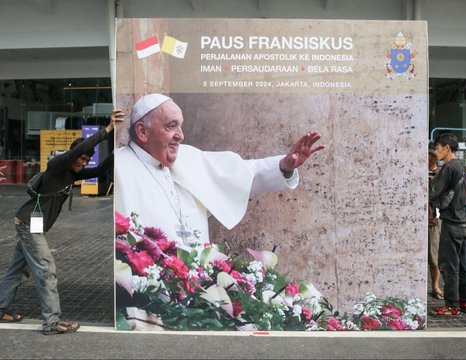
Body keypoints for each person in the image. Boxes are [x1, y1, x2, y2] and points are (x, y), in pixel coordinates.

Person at [115, 93, 324, 247]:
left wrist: (284, 166)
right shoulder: (119, 168)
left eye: (181, 126)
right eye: (171, 126)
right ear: (142, 131)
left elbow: (242, 173)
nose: (181, 135)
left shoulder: (187, 157)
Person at [0, 109, 124, 334]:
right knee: (46, 270)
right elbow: (79, 149)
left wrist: (116, 154)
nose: (83, 162)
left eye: (86, 159)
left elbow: (100, 170)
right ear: (73, 154)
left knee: (17, 271)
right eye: (81, 157)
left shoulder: (72, 174)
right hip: (29, 225)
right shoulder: (58, 166)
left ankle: (0, 309)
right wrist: (107, 129)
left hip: (28, 224)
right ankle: (51, 322)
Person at [429, 133, 466, 316]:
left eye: (438, 147)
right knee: (463, 265)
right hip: (465, 223)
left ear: (447, 148)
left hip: (452, 223)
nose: (436, 151)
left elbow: (432, 193)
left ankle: (451, 306)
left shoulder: (448, 167)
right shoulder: (462, 167)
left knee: (449, 266)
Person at [428, 141, 443, 300]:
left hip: (433, 220)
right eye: (429, 154)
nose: (430, 157)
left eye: (433, 154)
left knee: (434, 257)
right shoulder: (417, 169)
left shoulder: (440, 172)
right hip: (417, 219)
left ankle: (435, 286)